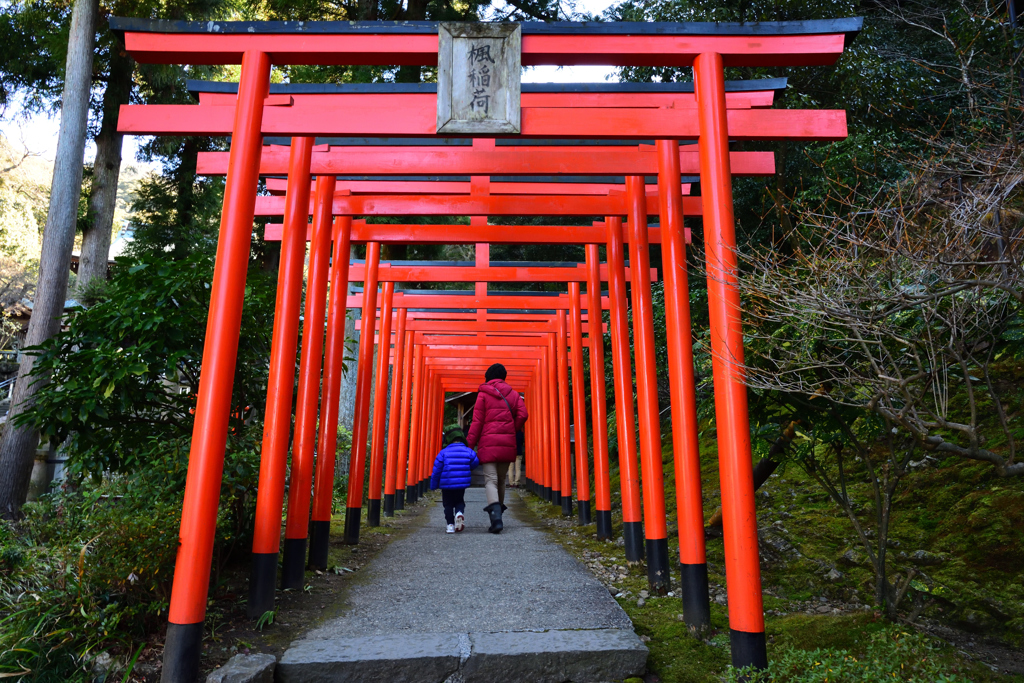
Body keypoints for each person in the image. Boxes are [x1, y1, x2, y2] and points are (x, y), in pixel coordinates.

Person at [466, 363, 529, 533]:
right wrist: (511, 429)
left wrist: (469, 446)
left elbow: (477, 422)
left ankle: (496, 519)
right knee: (501, 480)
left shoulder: (484, 394)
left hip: (488, 443)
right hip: (507, 443)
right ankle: (498, 515)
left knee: (490, 480)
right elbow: (523, 414)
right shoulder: (514, 395)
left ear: (488, 376)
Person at [429, 427, 479, 533]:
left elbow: (436, 470)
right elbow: (475, 462)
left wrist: (433, 485)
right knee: (459, 500)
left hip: (446, 484)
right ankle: (459, 513)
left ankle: (450, 525)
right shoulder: (468, 451)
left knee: (448, 504)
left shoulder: (443, 453)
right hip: (461, 483)